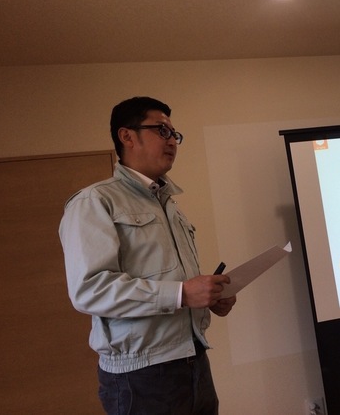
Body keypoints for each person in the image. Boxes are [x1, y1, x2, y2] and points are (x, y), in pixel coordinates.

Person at [59, 96, 236, 415]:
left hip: (194, 360)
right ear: (127, 136)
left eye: (175, 134)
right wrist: (182, 294)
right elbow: (90, 290)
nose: (172, 141)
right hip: (140, 375)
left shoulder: (169, 204)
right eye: (162, 131)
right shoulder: (94, 202)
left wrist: (207, 297)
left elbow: (171, 281)